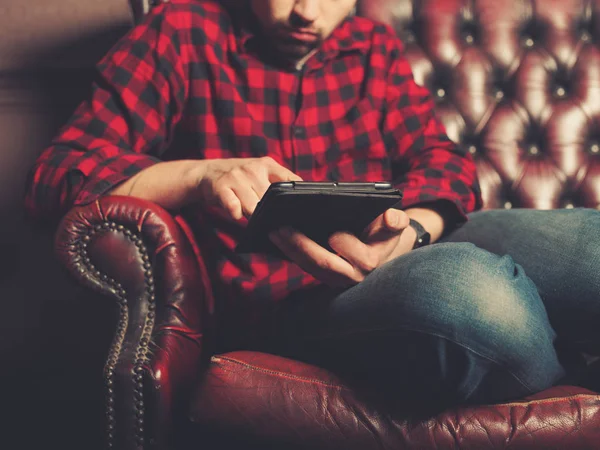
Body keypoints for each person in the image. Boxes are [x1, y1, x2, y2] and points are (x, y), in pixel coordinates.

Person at [25, 0, 600, 412]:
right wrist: (200, 175)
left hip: (413, 245)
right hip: (291, 302)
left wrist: (415, 232)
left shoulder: (370, 44)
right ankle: (573, 359)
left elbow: (441, 161)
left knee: (589, 246)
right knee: (473, 295)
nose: (308, 13)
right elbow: (57, 174)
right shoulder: (181, 28)